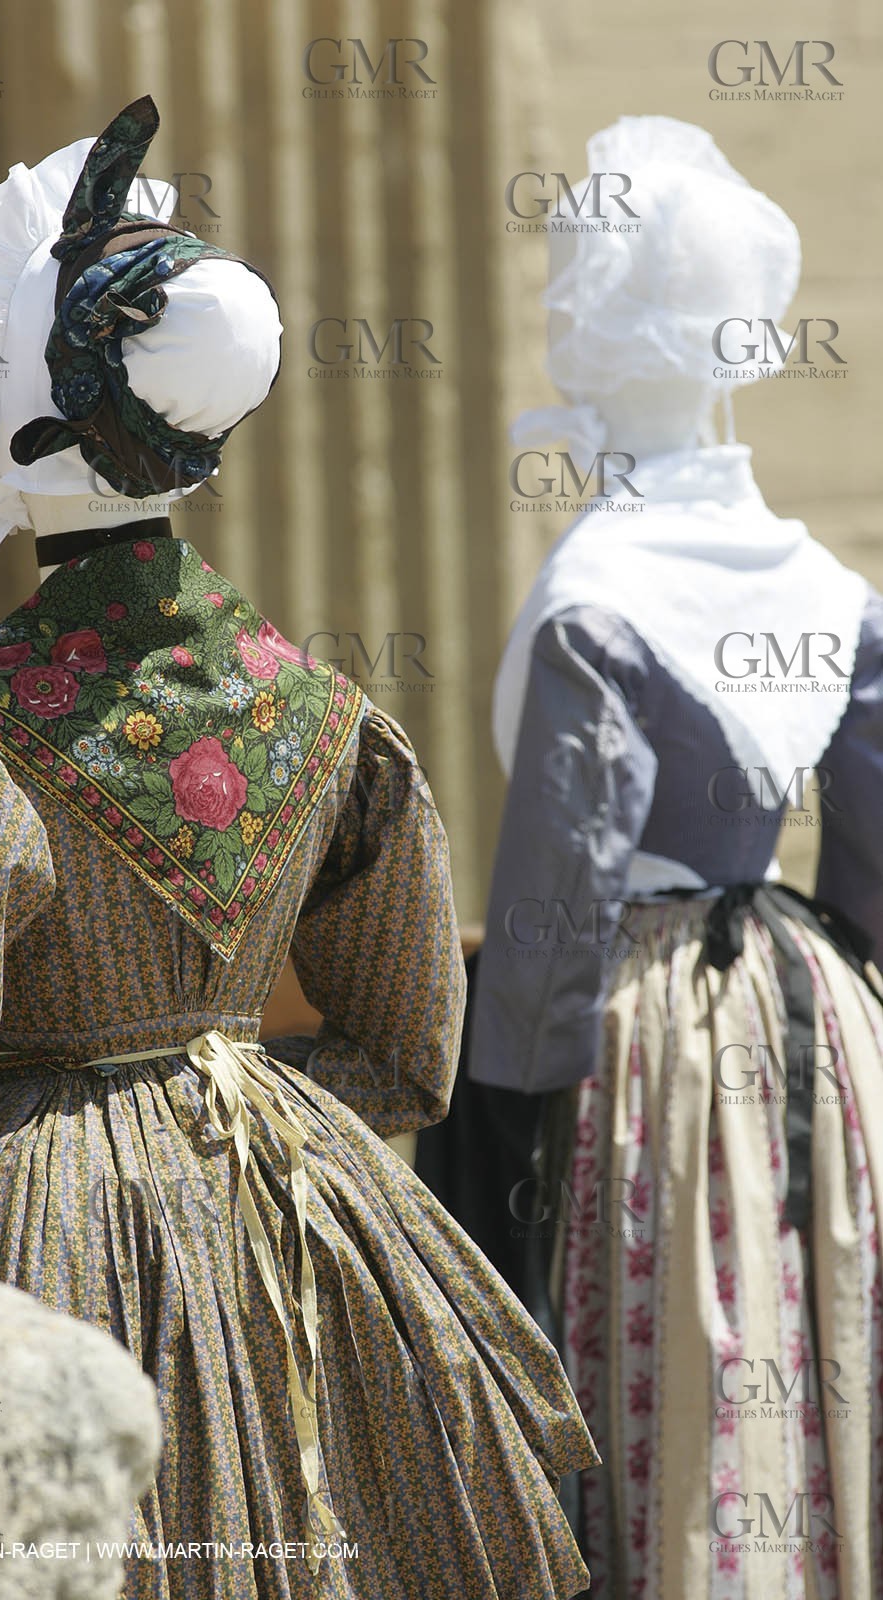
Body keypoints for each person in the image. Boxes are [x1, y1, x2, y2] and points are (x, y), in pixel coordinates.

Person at [0, 97, 598, 1600]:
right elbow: (411, 1050)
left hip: (41, 1246)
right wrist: (225, 1095)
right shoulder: (328, 713)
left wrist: (57, 1156)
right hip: (290, 1210)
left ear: (41, 414)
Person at [427, 115, 883, 1599]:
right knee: (818, 1340)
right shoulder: (831, 586)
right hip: (816, 1015)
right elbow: (873, 867)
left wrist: (485, 1125)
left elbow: (557, 906)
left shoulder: (599, 598)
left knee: (688, 1329)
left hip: (656, 1042)